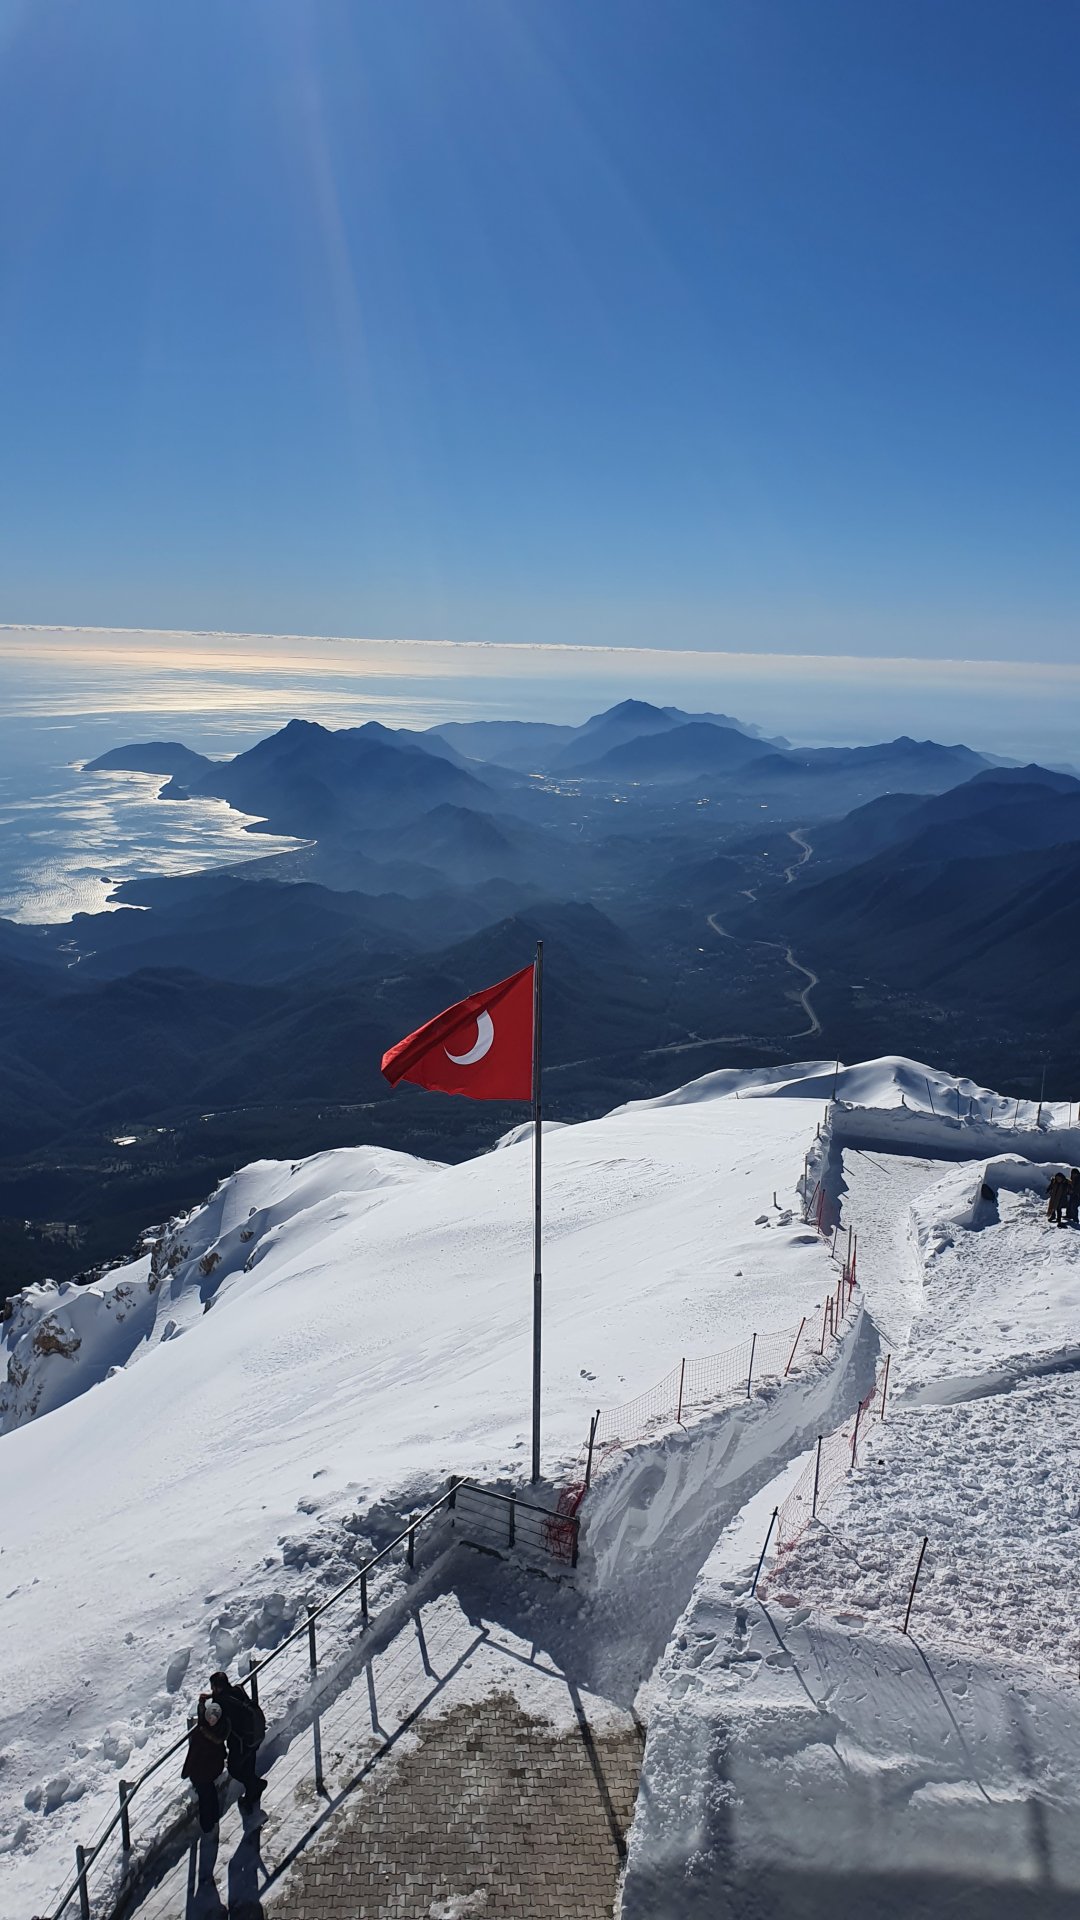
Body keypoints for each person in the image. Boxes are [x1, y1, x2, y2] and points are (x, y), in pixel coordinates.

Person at [208, 1671, 267, 1812]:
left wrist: (204, 1705)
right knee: (249, 1768)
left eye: (213, 1687)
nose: (212, 1690)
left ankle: (257, 1785)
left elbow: (214, 1721)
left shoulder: (221, 1702)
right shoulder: (237, 1690)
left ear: (218, 1687)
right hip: (253, 1736)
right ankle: (251, 1797)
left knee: (235, 1769)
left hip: (239, 1743)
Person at [181, 1698, 226, 1832]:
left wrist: (185, 1773)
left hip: (200, 1773)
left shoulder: (200, 1734)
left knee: (204, 1798)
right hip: (213, 1770)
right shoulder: (219, 1729)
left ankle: (207, 1825)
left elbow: (192, 1755)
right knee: (211, 1793)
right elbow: (222, 1751)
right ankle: (215, 1817)